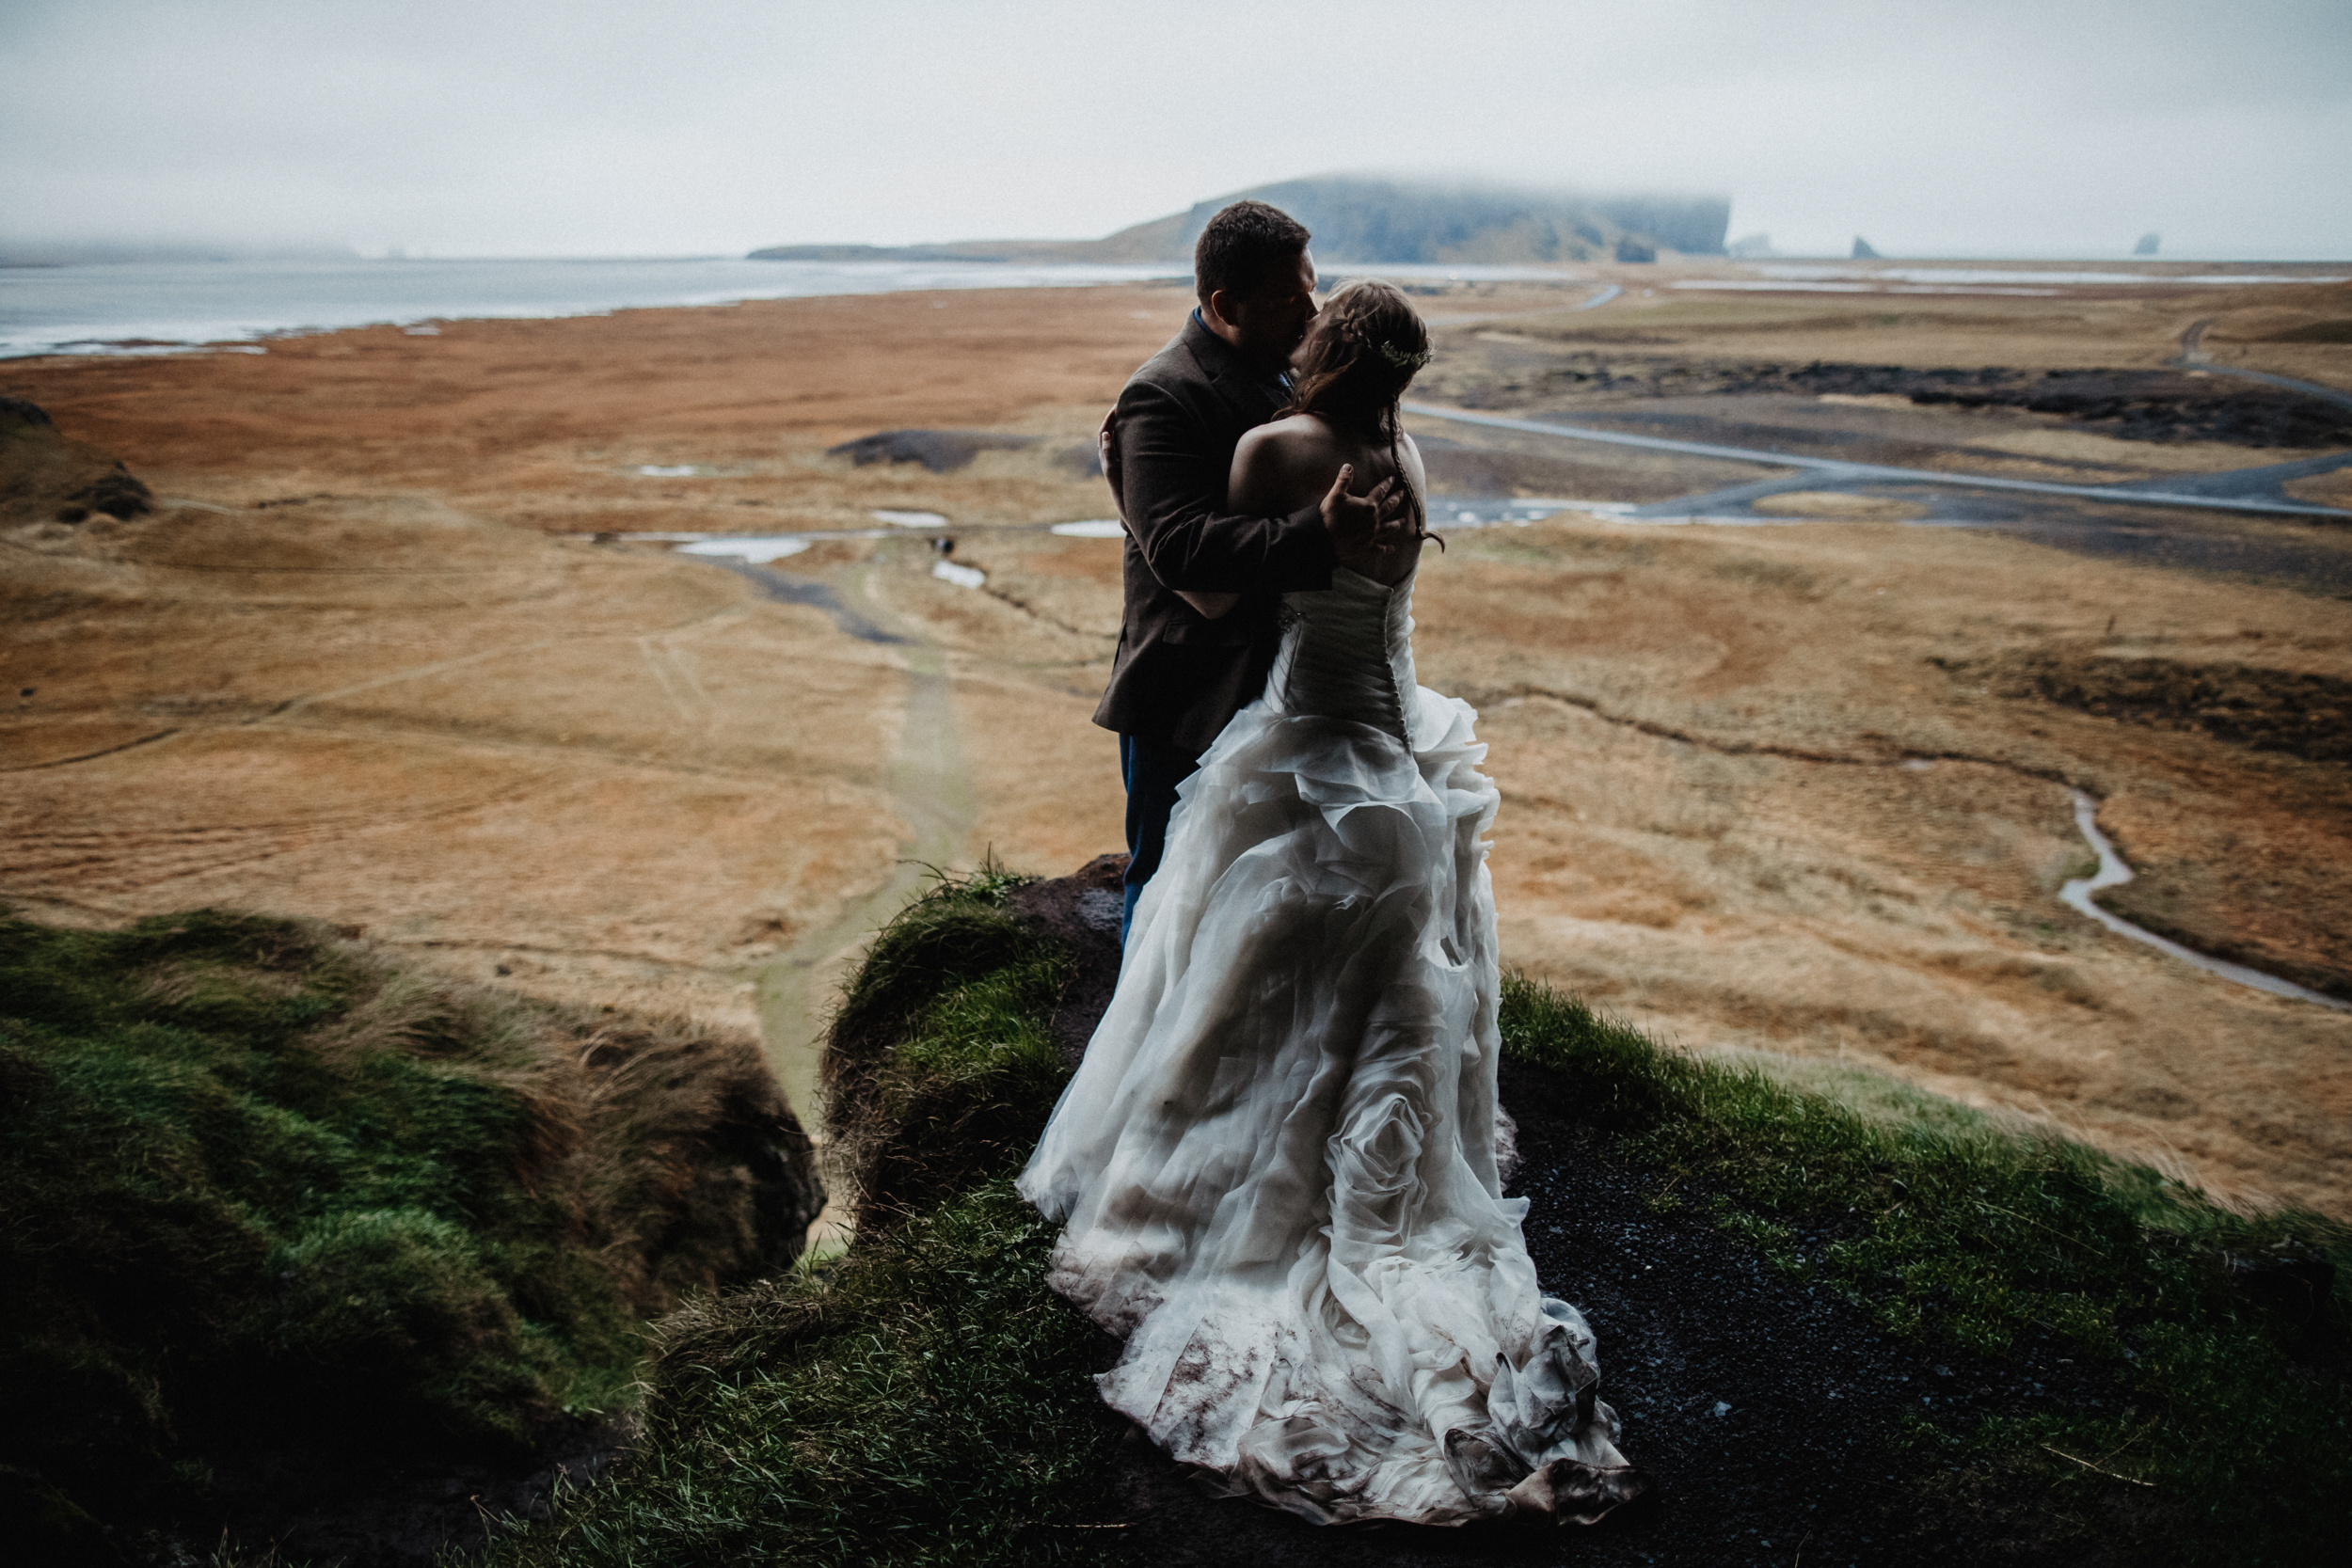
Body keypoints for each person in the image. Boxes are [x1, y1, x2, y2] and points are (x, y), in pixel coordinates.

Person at [1022, 278, 1646, 1525]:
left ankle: (1227, 1188)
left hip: (1312, 731)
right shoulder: (1399, 448)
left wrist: (1123, 477)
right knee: (1387, 984)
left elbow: (1204, 577)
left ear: (1331, 348)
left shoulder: (1278, 447)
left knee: (1249, 962)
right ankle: (1371, 1167)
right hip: (1398, 743)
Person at [1090, 199, 1411, 943]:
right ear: (1224, 305)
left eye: (1313, 286)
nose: (1312, 311)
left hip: (1278, 689)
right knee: (1166, 878)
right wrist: (1318, 536)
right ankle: (1136, 1051)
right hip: (1187, 691)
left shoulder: (1288, 373)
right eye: (1286, 298)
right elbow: (1179, 550)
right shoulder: (1163, 394)